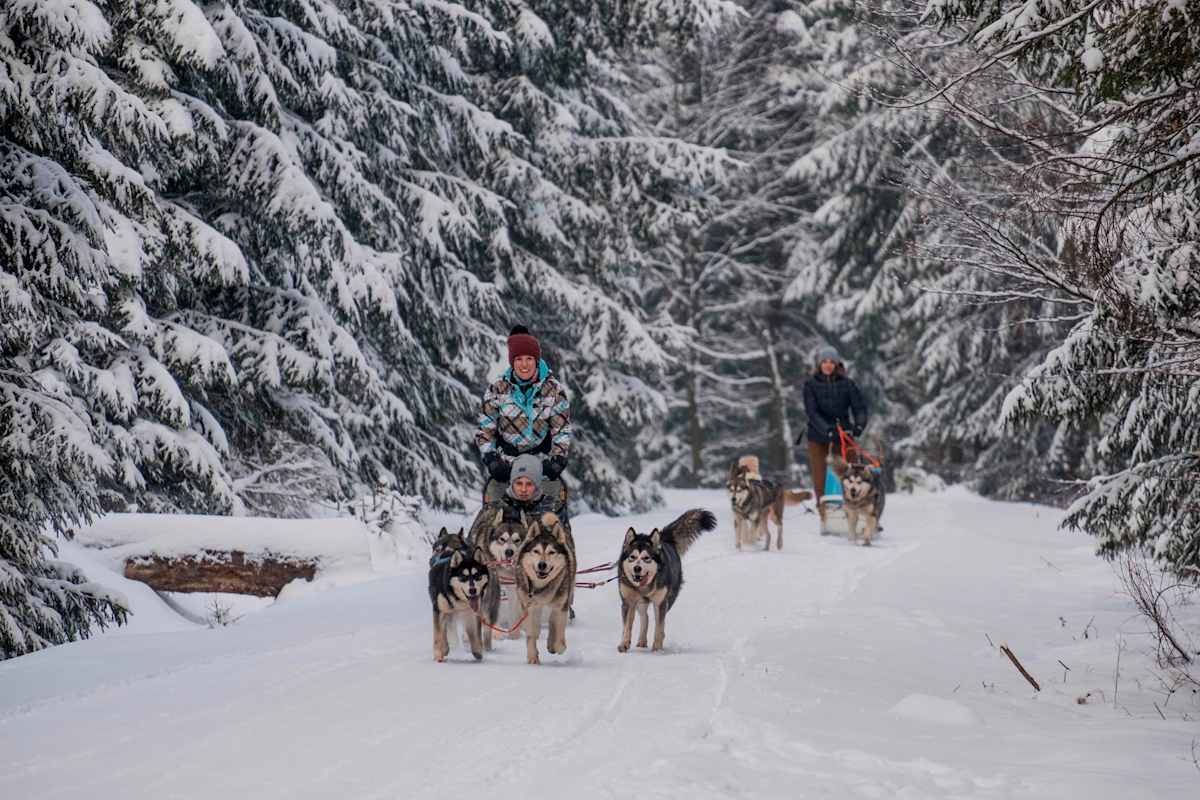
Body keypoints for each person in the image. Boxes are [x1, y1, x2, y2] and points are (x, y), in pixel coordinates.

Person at [476, 325, 572, 511]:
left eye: (529, 359)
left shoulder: (553, 390)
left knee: (554, 515)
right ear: (512, 362)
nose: (524, 364)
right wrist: (490, 458)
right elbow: (485, 428)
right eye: (519, 359)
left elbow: (562, 430)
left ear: (537, 361)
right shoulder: (498, 389)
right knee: (491, 516)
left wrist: (558, 459)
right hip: (506, 465)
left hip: (541, 465)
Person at [798, 345, 868, 528]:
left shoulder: (847, 384)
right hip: (817, 434)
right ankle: (824, 516)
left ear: (837, 364)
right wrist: (827, 429)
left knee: (851, 470)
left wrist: (859, 425)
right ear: (819, 364)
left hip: (844, 433)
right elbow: (811, 412)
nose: (828, 365)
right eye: (824, 362)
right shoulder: (811, 385)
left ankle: (855, 511)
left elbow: (859, 407)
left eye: (831, 362)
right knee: (820, 475)